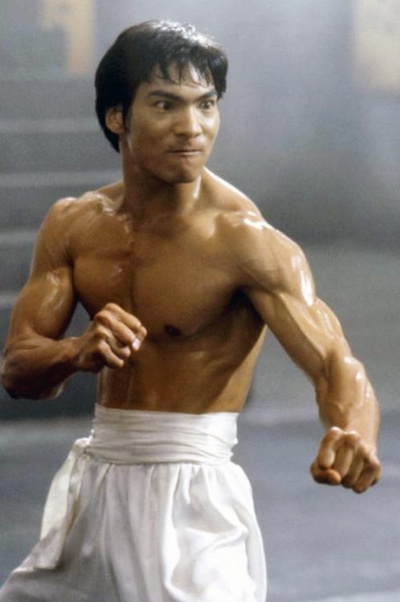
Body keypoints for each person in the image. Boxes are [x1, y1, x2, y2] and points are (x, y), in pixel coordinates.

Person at [0, 20, 381, 602]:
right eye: (165, 105)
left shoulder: (244, 239)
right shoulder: (73, 223)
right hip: (96, 482)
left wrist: (355, 431)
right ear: (117, 117)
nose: (192, 126)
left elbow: (334, 362)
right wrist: (75, 352)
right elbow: (18, 372)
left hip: (193, 497)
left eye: (206, 104)